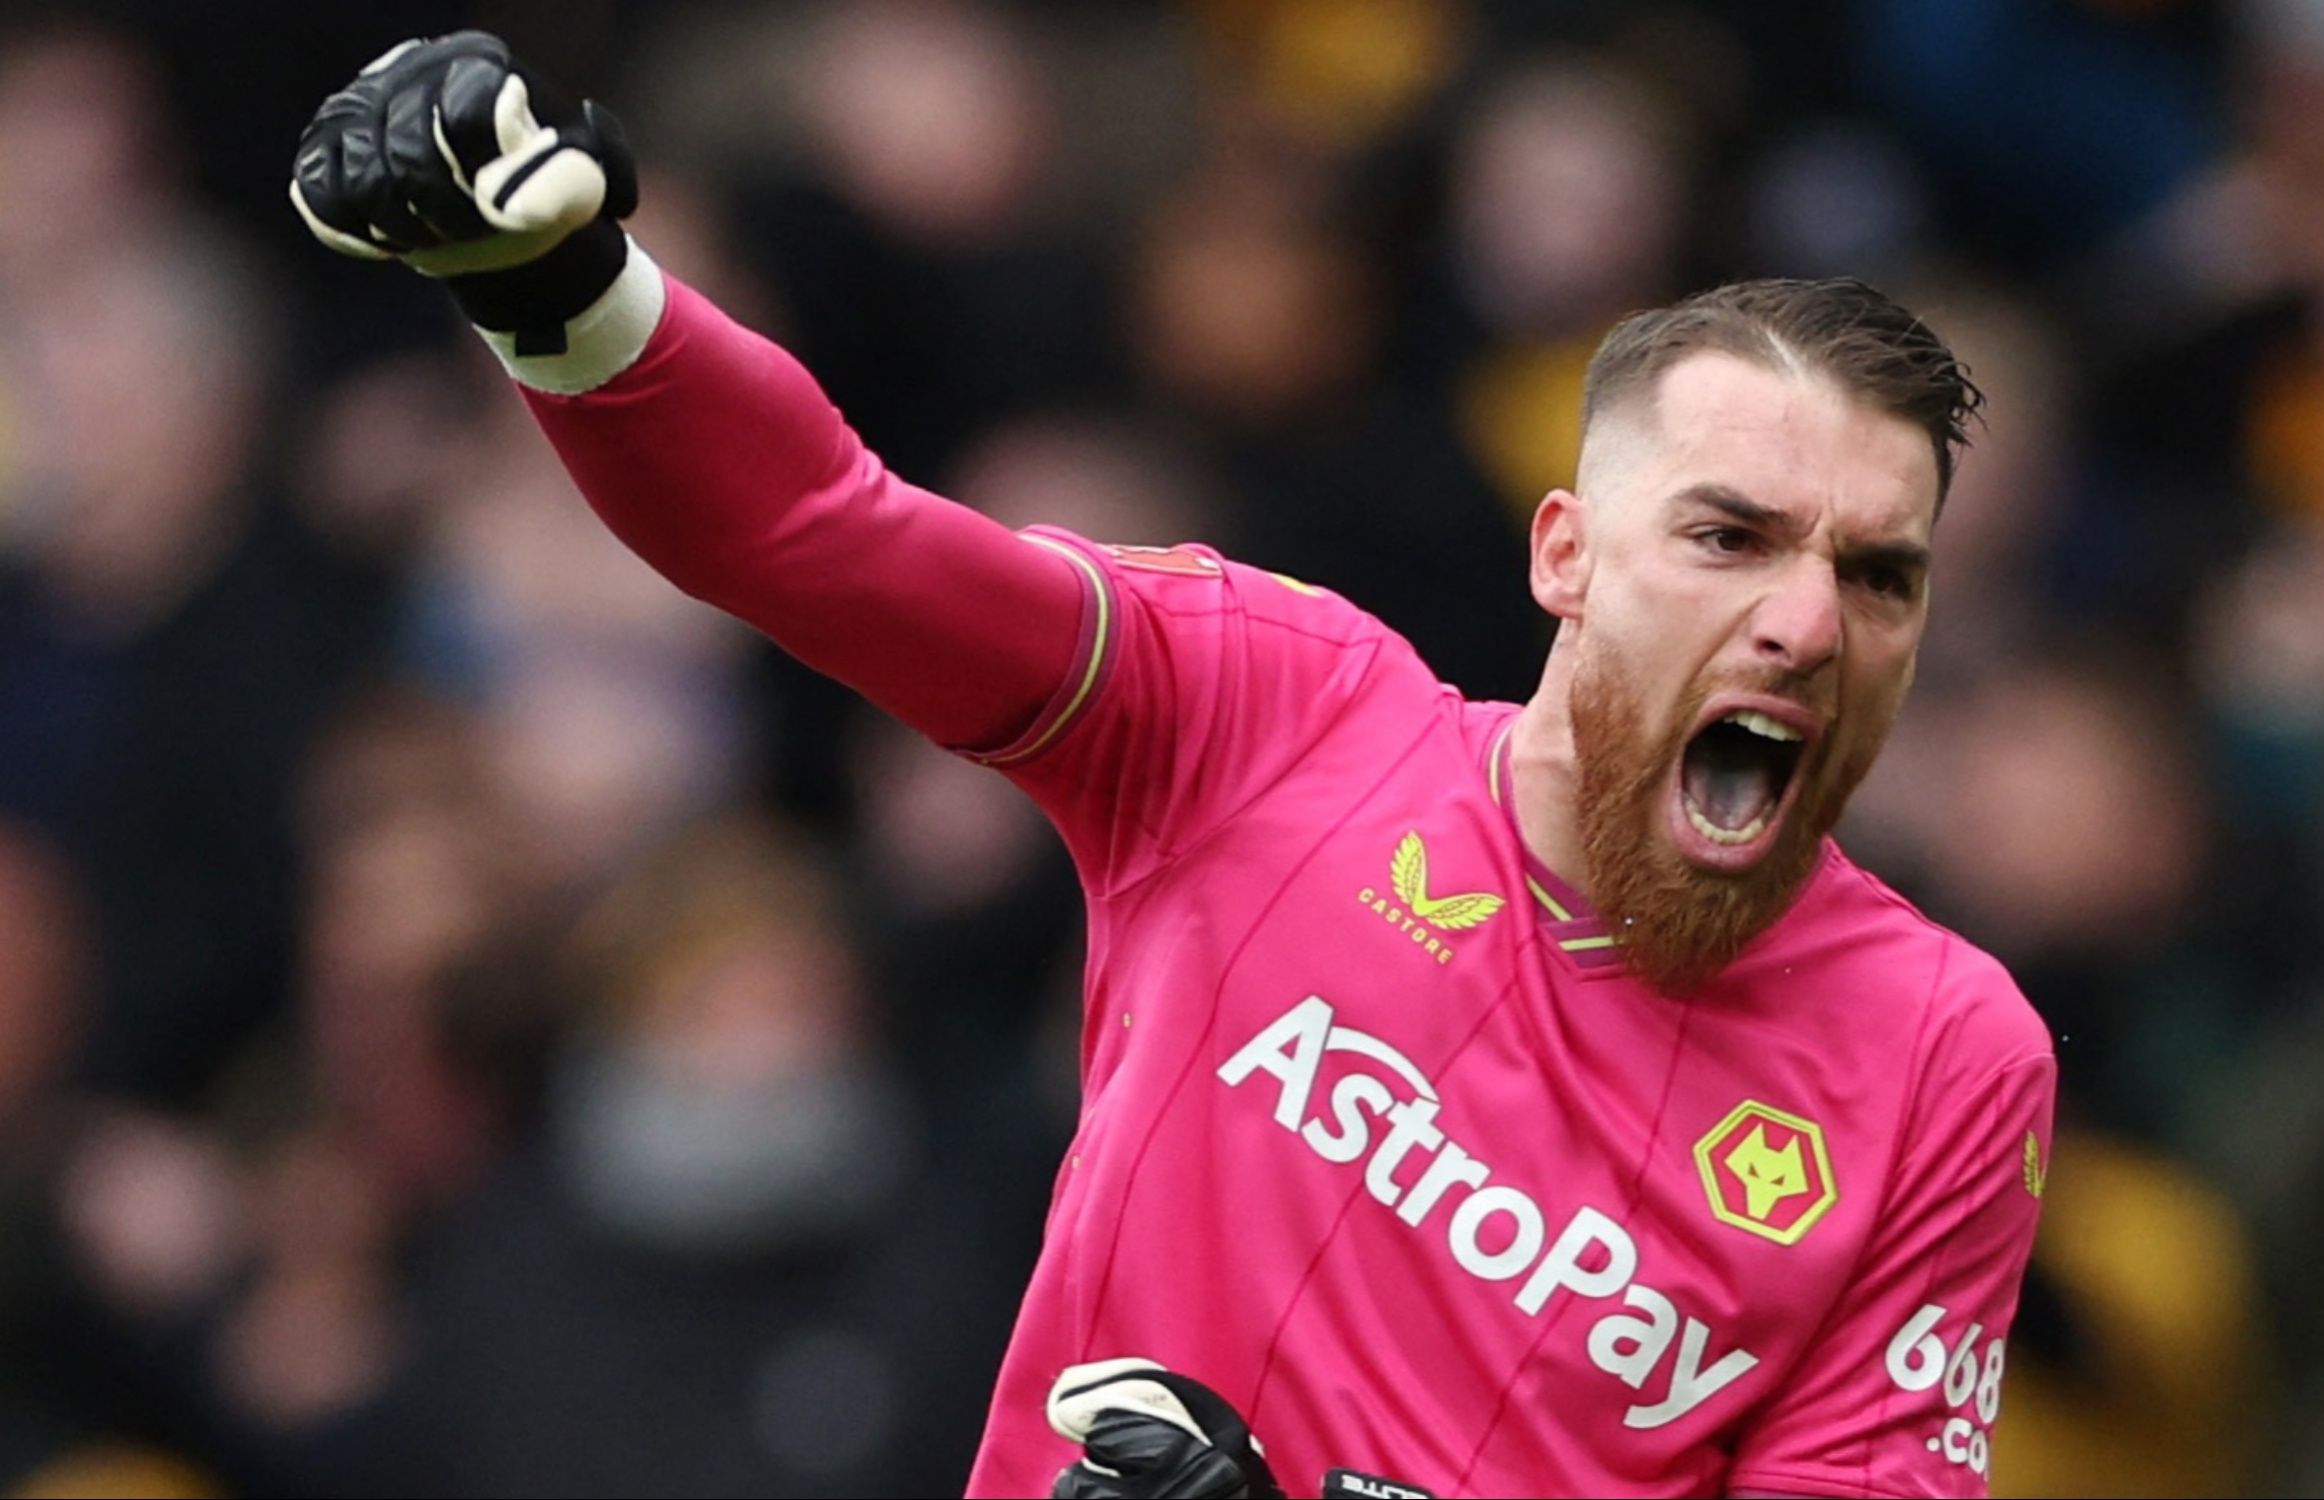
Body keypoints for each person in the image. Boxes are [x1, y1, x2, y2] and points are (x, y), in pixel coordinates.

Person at [289, 34, 2056, 1499]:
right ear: (1567, 557)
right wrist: (568, 297)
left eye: (1878, 574)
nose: (1809, 625)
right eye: (1731, 538)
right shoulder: (1277, 716)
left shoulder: (1944, 1060)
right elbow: (825, 531)